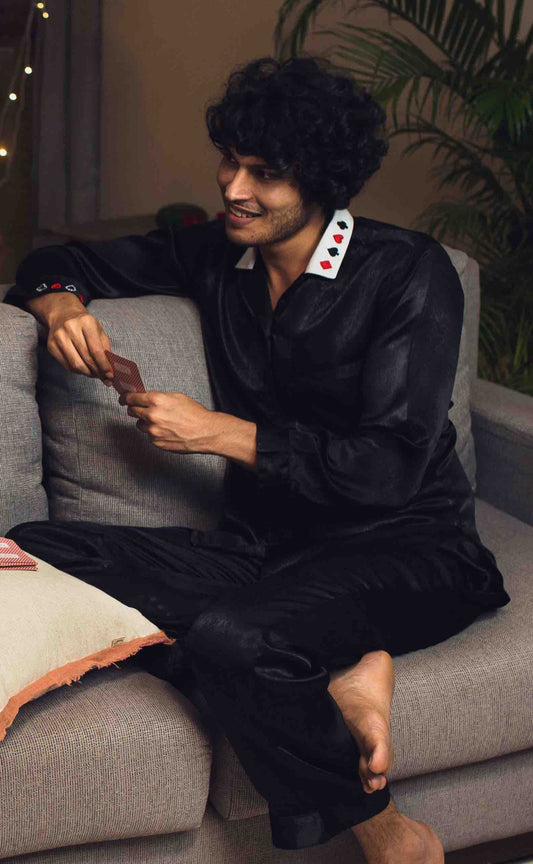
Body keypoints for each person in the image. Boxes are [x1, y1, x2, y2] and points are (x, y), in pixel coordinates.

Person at [5, 56, 510, 863]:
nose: (234, 188)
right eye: (231, 162)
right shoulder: (219, 255)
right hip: (269, 552)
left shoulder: (408, 272)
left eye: (265, 173)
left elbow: (386, 470)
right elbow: (53, 260)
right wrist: (60, 301)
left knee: (229, 636)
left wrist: (220, 433)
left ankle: (387, 834)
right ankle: (338, 662)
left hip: (409, 549)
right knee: (35, 547)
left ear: (319, 182)